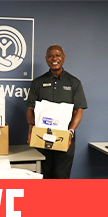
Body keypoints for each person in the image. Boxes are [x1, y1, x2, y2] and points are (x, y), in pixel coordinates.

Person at [26, 45, 87, 179]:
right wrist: (31, 129)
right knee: (43, 176)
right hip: (42, 137)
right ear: (46, 59)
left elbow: (79, 110)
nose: (54, 58)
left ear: (63, 58)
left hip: (64, 137)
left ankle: (59, 200)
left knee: (60, 177)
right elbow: (30, 109)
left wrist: (70, 132)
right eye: (50, 56)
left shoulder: (74, 83)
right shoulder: (38, 82)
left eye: (57, 55)